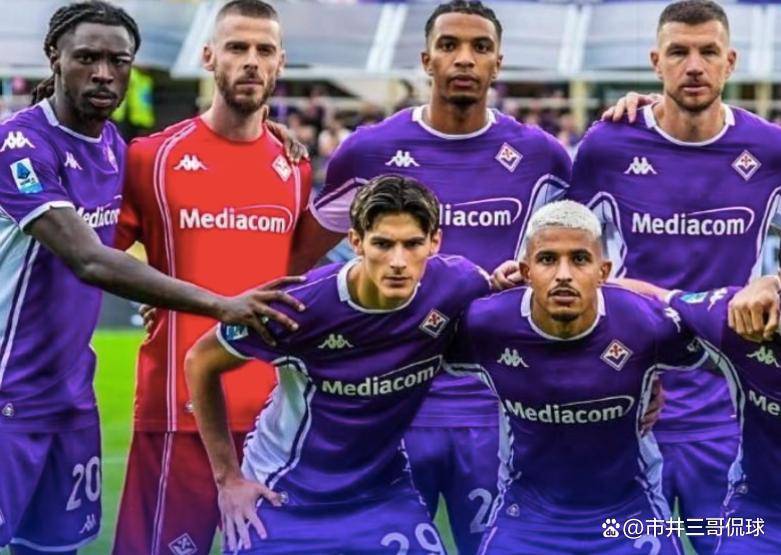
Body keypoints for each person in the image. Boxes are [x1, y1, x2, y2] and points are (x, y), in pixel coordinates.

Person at [0, 2, 299, 554]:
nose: (103, 73)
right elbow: (91, 260)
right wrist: (221, 304)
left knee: (51, 548)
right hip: (7, 392)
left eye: (118, 61)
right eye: (87, 58)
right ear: (54, 57)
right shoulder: (19, 145)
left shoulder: (116, 151)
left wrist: (262, 129)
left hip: (71, 398)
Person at [290, 2, 572, 551]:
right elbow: (295, 261)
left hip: (499, 408)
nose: (464, 59)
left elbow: (580, 256)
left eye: (480, 47)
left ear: (498, 63)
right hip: (392, 409)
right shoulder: (367, 151)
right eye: (449, 46)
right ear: (426, 60)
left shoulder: (543, 157)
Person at [565, 2, 781, 550]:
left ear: (730, 61)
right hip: (630, 402)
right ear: (655, 62)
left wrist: (775, 281)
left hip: (730, 410)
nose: (694, 65)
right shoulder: (609, 144)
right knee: (626, 539)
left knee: (731, 538)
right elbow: (562, 255)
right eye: (679, 52)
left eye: (709, 51)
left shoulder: (768, 149)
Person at [184, 175, 491, 553]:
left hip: (383, 493)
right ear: (356, 241)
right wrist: (227, 479)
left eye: (412, 244)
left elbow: (512, 310)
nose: (398, 261)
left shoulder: (459, 284)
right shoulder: (299, 305)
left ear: (434, 242)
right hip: (284, 495)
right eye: (382, 244)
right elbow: (200, 360)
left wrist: (509, 282)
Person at [111, 2, 312, 554]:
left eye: (264, 50)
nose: (251, 61)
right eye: (236, 47)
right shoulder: (151, 157)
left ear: (280, 63)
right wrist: (160, 291)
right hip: (177, 412)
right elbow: (100, 256)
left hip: (273, 423)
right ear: (208, 56)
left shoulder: (295, 166)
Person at [450, 200, 699, 554]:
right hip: (526, 519)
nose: (563, 274)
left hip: (629, 516)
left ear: (603, 271)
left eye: (580, 259)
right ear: (526, 270)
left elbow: (728, 349)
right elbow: (408, 345)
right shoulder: (486, 325)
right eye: (548, 259)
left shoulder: (646, 324)